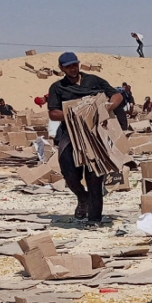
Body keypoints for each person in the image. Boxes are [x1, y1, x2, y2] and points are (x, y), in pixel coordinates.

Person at [47, 52, 123, 224]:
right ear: (61, 68)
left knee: (94, 176)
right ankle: (82, 197)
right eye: (68, 66)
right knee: (69, 173)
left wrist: (108, 107)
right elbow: (53, 113)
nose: (73, 69)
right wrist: (76, 114)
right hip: (70, 134)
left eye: (75, 65)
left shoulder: (94, 80)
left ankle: (94, 218)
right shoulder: (57, 87)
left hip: (95, 134)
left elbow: (116, 95)